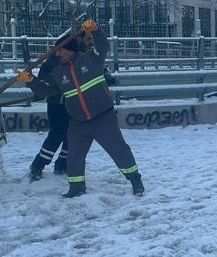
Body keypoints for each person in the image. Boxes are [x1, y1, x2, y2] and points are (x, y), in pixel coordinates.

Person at [17, 20, 145, 198]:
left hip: (103, 118)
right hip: (78, 123)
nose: (58, 53)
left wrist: (96, 30)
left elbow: (103, 45)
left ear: (71, 50)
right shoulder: (58, 72)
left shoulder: (91, 59)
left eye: (61, 49)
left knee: (119, 150)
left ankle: (135, 179)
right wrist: (31, 81)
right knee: (74, 157)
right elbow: (45, 90)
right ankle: (76, 187)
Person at [28, 54, 69, 181]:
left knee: (71, 134)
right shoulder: (52, 63)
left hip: (72, 103)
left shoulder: (78, 58)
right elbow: (42, 86)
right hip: (56, 103)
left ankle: (63, 164)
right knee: (57, 134)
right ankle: (38, 164)